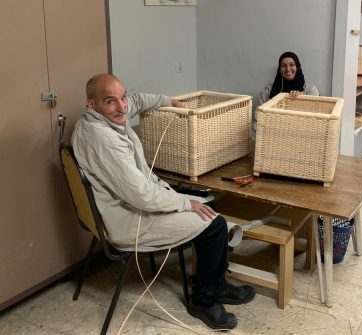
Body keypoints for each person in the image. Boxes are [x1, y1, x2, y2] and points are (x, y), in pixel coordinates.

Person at [71, 73, 255, 330]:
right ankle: (203, 300)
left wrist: (167, 101)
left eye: (122, 98)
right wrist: (184, 203)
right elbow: (142, 195)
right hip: (130, 218)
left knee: (209, 205)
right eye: (111, 101)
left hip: (131, 203)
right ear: (92, 105)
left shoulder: (102, 117)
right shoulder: (101, 139)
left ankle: (215, 284)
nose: (122, 107)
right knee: (215, 225)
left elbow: (136, 101)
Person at [253, 51, 319, 139]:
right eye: (283, 66)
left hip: (301, 139)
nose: (288, 69)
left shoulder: (310, 90)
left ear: (298, 66)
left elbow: (316, 121)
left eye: (292, 64)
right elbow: (258, 119)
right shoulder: (268, 91)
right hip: (272, 138)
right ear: (279, 69)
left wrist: (301, 100)